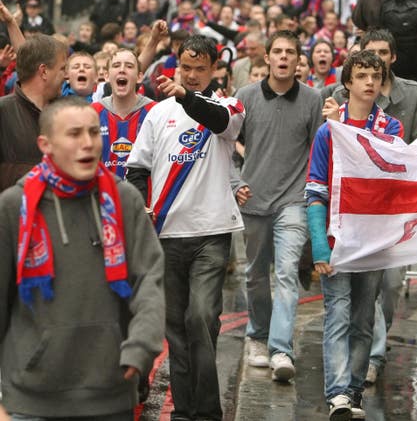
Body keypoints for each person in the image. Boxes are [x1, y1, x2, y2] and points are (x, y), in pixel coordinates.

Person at [0, 96, 165, 418]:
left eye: (94, 132)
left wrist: (142, 344)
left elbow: (149, 278)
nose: (88, 143)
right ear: (45, 144)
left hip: (110, 392)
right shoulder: (13, 206)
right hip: (29, 399)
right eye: (74, 134)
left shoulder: (124, 199)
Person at [127, 34, 245, 420]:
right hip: (166, 234)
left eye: (200, 69)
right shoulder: (157, 114)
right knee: (176, 329)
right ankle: (184, 411)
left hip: (211, 232)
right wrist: (140, 203)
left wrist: (185, 97)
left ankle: (208, 413)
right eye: (186, 68)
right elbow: (138, 168)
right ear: (178, 65)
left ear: (214, 69)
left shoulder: (227, 104)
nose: (192, 75)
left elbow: (221, 123)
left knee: (200, 317)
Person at [306, 50, 403, 420]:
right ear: (347, 82)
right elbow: (315, 190)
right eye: (361, 76)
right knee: (337, 315)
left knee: (364, 319)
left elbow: (394, 180)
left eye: (375, 76)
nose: (369, 83)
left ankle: (354, 390)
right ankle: (337, 395)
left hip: (373, 239)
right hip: (335, 237)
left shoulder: (390, 129)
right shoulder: (326, 130)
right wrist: (318, 244)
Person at [233, 30, 323, 382]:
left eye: (291, 52)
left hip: (293, 200)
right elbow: (226, 146)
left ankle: (281, 349)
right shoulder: (246, 96)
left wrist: (315, 198)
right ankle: (257, 335)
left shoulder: (313, 99)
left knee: (286, 274)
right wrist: (235, 183)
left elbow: (319, 149)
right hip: (253, 199)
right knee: (255, 275)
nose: (284, 58)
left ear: (299, 60)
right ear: (267, 57)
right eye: (278, 52)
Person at [0, 32, 66, 192]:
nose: (67, 75)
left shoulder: (67, 113)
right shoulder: (3, 112)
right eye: (62, 69)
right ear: (43, 71)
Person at [93, 48, 155, 179]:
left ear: (139, 77)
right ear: (106, 76)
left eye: (129, 66)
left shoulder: (155, 111)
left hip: (144, 196)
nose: (122, 70)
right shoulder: (92, 112)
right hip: (104, 195)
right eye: (116, 65)